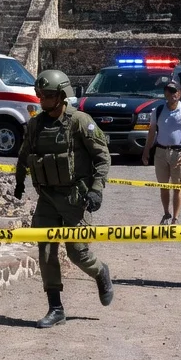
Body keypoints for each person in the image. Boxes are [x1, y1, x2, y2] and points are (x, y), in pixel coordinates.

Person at [13, 70, 114, 328]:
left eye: (46, 95)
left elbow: (103, 158)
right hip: (46, 197)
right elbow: (24, 154)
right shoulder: (35, 125)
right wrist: (20, 181)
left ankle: (100, 272)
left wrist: (96, 189)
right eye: (39, 94)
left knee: (78, 253)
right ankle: (55, 308)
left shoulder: (80, 121)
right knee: (46, 252)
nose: (41, 99)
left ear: (61, 96)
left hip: (75, 197)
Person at [141, 79, 181, 225]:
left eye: (174, 91)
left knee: (178, 187)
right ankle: (166, 214)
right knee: (164, 186)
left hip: (179, 152)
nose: (171, 94)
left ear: (180, 93)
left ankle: (175, 219)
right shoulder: (158, 110)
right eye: (168, 91)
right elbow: (152, 132)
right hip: (160, 152)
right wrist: (146, 151)